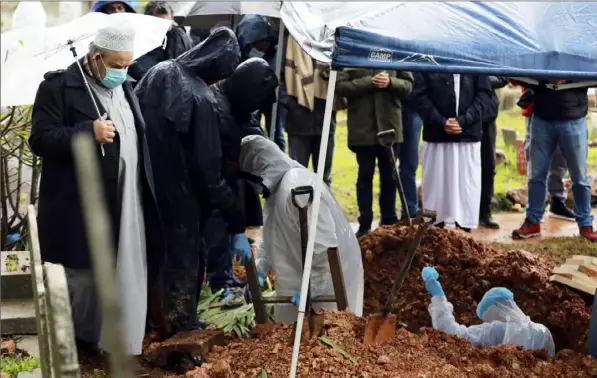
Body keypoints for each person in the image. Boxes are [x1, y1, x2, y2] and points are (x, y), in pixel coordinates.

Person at [30, 25, 164, 371]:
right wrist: (86, 131)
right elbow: (41, 139)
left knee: (127, 271)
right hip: (80, 202)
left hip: (127, 198)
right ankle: (81, 345)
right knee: (84, 278)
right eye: (117, 64)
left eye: (128, 63)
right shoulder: (58, 87)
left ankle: (119, 347)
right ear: (95, 57)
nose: (123, 71)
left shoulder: (126, 87)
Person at [134, 27, 250, 336]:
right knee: (184, 258)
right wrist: (231, 209)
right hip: (182, 195)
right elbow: (208, 167)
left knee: (152, 255)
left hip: (145, 184)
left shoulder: (159, 71)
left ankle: (151, 320)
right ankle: (181, 323)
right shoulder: (202, 97)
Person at [239, 135, 364, 323]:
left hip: (330, 281)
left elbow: (324, 247)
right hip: (296, 278)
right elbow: (272, 235)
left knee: (331, 332)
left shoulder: (298, 186)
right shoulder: (274, 191)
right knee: (287, 338)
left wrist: (313, 287)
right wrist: (261, 268)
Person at [204, 58, 278, 300]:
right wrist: (237, 229)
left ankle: (224, 274)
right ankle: (220, 282)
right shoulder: (219, 112)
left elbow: (251, 126)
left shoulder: (236, 98)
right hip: (210, 178)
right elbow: (220, 176)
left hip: (225, 172)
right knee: (218, 221)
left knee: (227, 216)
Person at [513, 82, 596, 242]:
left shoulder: (580, 56)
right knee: (536, 174)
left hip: (574, 117)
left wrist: (567, 79)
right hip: (542, 117)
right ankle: (533, 221)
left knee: (579, 176)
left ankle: (585, 224)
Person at [336, 69, 414, 238]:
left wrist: (390, 82)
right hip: (362, 127)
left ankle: (389, 220)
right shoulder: (354, 51)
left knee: (390, 176)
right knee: (364, 176)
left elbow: (408, 85)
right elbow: (340, 85)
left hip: (390, 124)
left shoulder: (394, 49)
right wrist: (369, 82)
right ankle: (365, 223)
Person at [415, 73, 494, 232]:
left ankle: (464, 233)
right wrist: (441, 121)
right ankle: (433, 232)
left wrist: (464, 121)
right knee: (436, 186)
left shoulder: (474, 58)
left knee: (466, 186)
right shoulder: (429, 57)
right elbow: (419, 94)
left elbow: (484, 94)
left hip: (468, 135)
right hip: (436, 135)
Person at [421, 267, 555, 355]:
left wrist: (438, 297)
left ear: (494, 310)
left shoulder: (497, 330)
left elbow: (452, 335)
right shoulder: (543, 331)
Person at [514, 85, 575, 222]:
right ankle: (535, 209)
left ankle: (557, 201)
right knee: (536, 162)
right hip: (537, 106)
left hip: (563, 106)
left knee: (560, 157)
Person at [282, 34, 337, 187]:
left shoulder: (332, 42)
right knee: (298, 177)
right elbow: (279, 79)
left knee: (324, 179)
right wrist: (290, 104)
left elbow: (344, 76)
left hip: (325, 119)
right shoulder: (293, 40)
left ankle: (323, 211)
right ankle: (300, 210)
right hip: (298, 121)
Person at [235, 14, 286, 151]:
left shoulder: (275, 49)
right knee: (252, 131)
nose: (260, 45)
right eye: (255, 42)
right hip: (250, 96)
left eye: (262, 41)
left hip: (272, 96)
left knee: (276, 134)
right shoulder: (240, 51)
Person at [128, 1, 194, 82]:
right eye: (160, 22)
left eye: (167, 22)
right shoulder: (141, 39)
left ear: (172, 18)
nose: (164, 26)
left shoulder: (180, 36)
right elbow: (142, 69)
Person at [479, 76, 509, 229]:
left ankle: (485, 210)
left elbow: (504, 76)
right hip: (460, 114)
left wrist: (479, 79)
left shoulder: (489, 53)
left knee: (488, 166)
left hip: (486, 116)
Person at [399, 77, 424, 220]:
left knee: (409, 162)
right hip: (390, 108)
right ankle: (388, 214)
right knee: (387, 164)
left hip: (413, 109)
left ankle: (410, 210)